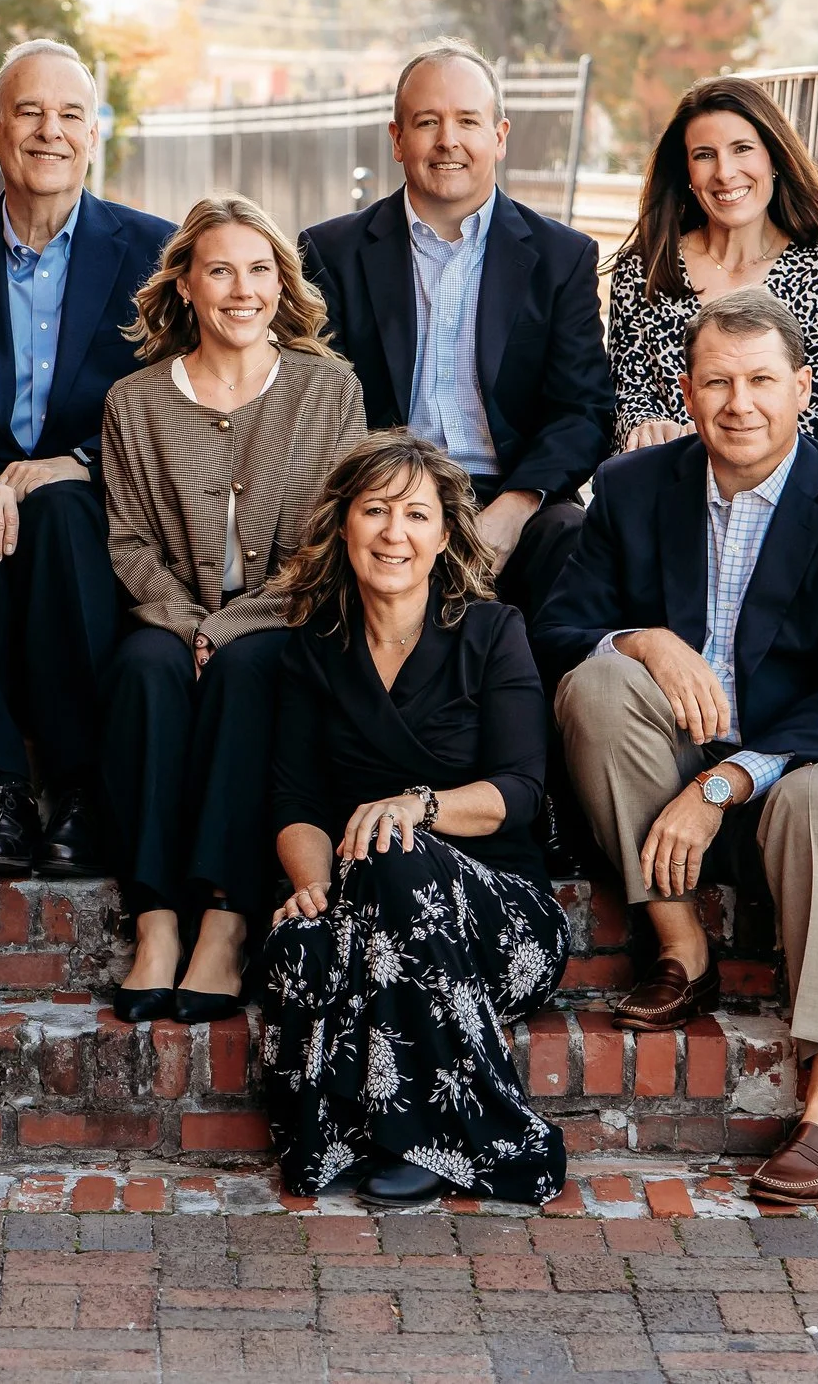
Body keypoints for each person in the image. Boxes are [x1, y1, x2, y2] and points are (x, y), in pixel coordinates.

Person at [540, 287, 818, 1206]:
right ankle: (681, 945)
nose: (738, 402)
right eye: (716, 382)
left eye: (759, 381)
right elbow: (556, 630)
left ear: (802, 388)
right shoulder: (634, 487)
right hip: (661, 755)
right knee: (597, 679)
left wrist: (725, 784)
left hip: (795, 769)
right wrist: (644, 640)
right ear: (686, 388)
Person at [260, 431, 567, 1209]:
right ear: (344, 525)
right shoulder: (315, 649)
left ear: (443, 534)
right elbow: (295, 801)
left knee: (398, 850)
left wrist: (420, 807)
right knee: (302, 937)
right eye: (375, 511)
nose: (394, 533)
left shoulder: (494, 632)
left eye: (416, 515)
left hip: (500, 919)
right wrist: (314, 885)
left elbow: (523, 789)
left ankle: (420, 1134)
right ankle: (368, 1132)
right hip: (364, 900)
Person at [0, 39, 174, 877]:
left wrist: (84, 460)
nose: (49, 131)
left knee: (54, 512)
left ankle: (81, 786)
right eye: (29, 112)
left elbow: (175, 387)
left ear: (94, 136)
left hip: (94, 491)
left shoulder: (156, 252)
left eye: (69, 115)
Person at [98, 195, 365, 1024]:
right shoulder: (134, 402)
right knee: (145, 672)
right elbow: (129, 540)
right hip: (170, 616)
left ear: (281, 285)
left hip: (284, 620)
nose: (241, 290)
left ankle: (224, 919)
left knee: (252, 671)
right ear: (185, 284)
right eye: (220, 269)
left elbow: (330, 539)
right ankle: (155, 921)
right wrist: (187, 623)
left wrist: (228, 627)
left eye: (259, 270)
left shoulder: (329, 390)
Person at [299, 37, 610, 619]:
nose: (449, 140)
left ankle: (541, 705)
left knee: (568, 530)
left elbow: (582, 410)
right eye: (427, 122)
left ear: (499, 136)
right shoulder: (331, 252)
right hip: (382, 489)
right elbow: (318, 405)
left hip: (509, 486)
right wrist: (392, 506)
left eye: (468, 120)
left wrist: (517, 506)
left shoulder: (560, 257)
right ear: (397, 139)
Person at [609, 76, 818, 453]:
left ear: (774, 158)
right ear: (688, 172)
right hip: (663, 483)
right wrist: (645, 426)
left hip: (784, 495)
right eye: (705, 155)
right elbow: (626, 392)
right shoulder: (645, 267)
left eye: (742, 148)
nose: (725, 172)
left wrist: (713, 448)